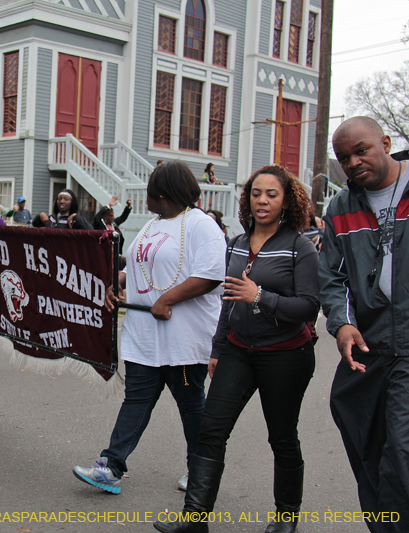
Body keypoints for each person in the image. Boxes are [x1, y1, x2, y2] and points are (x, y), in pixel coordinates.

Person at [153, 165, 320, 533]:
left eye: (271, 194)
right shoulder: (239, 243)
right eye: (255, 193)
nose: (262, 200)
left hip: (286, 354)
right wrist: (217, 348)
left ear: (286, 200)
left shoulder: (299, 246)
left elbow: (308, 306)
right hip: (237, 351)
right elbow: (229, 301)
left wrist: (260, 296)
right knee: (211, 431)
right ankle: (194, 520)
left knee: (282, 436)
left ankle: (286, 518)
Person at [73, 162, 226, 496]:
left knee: (191, 404)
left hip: (184, 340)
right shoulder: (151, 226)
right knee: (136, 400)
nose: (145, 198)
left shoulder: (203, 226)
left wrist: (168, 298)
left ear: (162, 193)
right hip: (144, 336)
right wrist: (119, 282)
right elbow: (139, 266)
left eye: (149, 191)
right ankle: (111, 467)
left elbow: (211, 274)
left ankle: (200, 470)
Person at [319, 116, 409, 533]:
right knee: (365, 441)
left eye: (361, 150)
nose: (353, 162)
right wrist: (341, 325)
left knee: (402, 453)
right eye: (344, 157)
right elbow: (332, 277)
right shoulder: (341, 207)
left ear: (386, 142)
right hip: (369, 345)